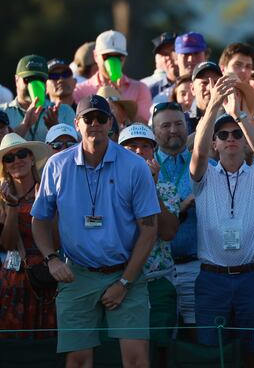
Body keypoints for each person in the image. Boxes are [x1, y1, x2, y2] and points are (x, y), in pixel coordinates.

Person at [31, 94, 161, 367]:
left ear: (111, 123)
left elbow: (149, 230)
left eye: (101, 118)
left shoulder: (135, 165)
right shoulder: (56, 165)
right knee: (77, 360)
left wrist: (125, 282)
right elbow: (39, 220)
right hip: (77, 273)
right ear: (77, 123)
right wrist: (51, 258)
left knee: (136, 357)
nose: (95, 124)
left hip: (127, 270)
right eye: (88, 118)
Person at [188, 76, 254, 368]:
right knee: (213, 356)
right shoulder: (205, 175)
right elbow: (198, 153)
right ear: (215, 142)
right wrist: (212, 106)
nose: (230, 139)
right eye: (223, 135)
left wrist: (239, 114)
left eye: (236, 133)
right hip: (213, 278)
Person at [118, 124, 181, 364]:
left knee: (160, 351)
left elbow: (168, 232)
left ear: (153, 153)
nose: (138, 151)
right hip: (119, 282)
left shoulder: (165, 188)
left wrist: (150, 188)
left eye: (145, 146)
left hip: (157, 283)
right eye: (132, 146)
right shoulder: (107, 186)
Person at [0, 132, 57, 338]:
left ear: (32, 158)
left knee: (45, 346)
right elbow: (6, 244)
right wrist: (12, 207)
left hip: (46, 272)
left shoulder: (49, 192)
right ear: (4, 166)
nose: (17, 161)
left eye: (22, 154)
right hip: (13, 276)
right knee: (12, 346)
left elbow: (57, 238)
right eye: (9, 158)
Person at [149, 102, 198, 339]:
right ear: (154, 130)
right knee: (159, 341)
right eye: (165, 125)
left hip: (194, 267)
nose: (173, 130)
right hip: (154, 273)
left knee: (193, 339)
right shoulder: (143, 169)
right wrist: (180, 206)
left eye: (179, 124)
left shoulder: (205, 166)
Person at [73, 30, 153, 122]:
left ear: (124, 58)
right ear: (95, 56)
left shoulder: (140, 88)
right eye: (106, 56)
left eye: (119, 56)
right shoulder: (80, 91)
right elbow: (78, 125)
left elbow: (142, 126)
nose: (113, 61)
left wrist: (121, 102)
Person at [0, 54, 76, 143]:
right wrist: (25, 125)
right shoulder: (0, 112)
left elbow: (77, 145)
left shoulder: (64, 111)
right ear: (16, 79)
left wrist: (56, 128)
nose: (34, 85)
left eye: (40, 80)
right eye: (28, 79)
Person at [141, 32, 178, 102]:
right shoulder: (146, 87)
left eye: (173, 51)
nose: (169, 57)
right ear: (156, 60)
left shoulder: (194, 83)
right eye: (164, 54)